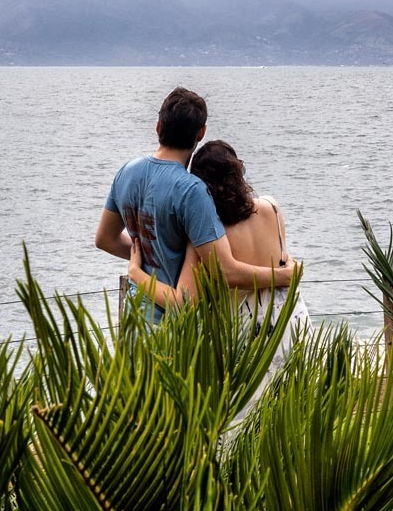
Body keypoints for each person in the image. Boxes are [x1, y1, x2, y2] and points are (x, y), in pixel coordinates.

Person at [95, 89, 297, 322]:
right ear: (201, 133)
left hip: (134, 313)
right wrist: (284, 276)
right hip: (172, 327)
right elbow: (225, 272)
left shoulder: (126, 172)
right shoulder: (192, 190)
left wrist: (144, 261)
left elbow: (105, 239)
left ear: (158, 127)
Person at [128, 138, 311, 356]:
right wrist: (287, 273)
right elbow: (283, 258)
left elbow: (183, 302)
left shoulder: (206, 239)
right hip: (291, 321)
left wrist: (137, 274)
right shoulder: (271, 207)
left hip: (246, 338)